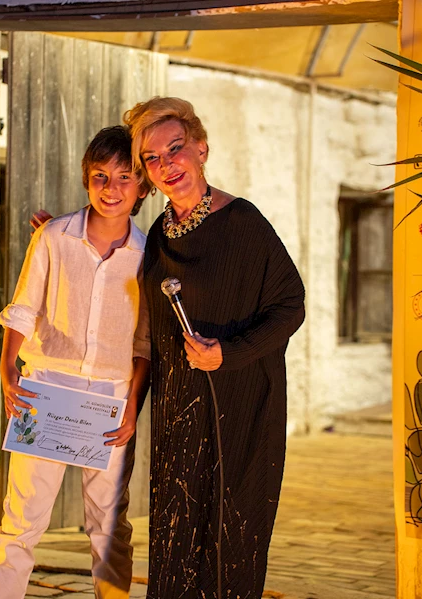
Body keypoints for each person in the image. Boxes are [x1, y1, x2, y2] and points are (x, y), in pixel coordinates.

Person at [125, 97, 305, 598]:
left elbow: (290, 305)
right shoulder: (159, 235)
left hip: (240, 411)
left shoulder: (243, 222)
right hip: (179, 416)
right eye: (152, 158)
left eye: (175, 148)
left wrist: (228, 352)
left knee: (230, 544)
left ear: (201, 149)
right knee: (175, 542)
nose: (166, 164)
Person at [0, 125, 151, 599]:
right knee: (21, 520)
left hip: (111, 398)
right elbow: (23, 307)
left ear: (142, 187)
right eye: (100, 176)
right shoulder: (53, 237)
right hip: (46, 389)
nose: (111, 188)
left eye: (124, 177)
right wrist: (8, 369)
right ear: (86, 179)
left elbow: (144, 343)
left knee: (109, 525)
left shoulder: (147, 256)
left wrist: (133, 405)